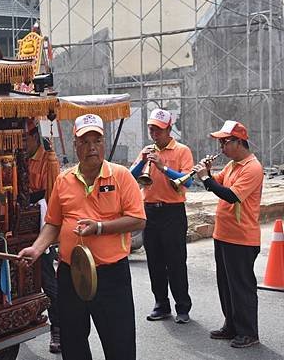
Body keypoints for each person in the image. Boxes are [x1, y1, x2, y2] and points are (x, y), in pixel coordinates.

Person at [18, 114, 146, 360]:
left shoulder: (121, 176)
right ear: (75, 144)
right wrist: (37, 248)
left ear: (104, 143)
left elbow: (138, 219)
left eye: (96, 140)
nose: (91, 147)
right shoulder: (64, 180)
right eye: (84, 141)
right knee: (73, 342)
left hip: (110, 274)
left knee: (119, 344)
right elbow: (53, 224)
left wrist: (99, 227)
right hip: (70, 274)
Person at [192, 120, 263, 348]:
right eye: (220, 142)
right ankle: (231, 325)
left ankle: (249, 332)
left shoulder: (252, 167)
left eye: (225, 142)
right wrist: (208, 173)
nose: (221, 147)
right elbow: (217, 184)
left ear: (239, 142)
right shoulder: (233, 165)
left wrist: (205, 177)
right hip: (223, 234)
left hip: (242, 237)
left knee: (241, 287)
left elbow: (230, 195)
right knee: (225, 284)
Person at [130, 108, 194, 324]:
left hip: (173, 212)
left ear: (168, 129)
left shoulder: (182, 150)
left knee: (176, 261)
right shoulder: (146, 150)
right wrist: (143, 161)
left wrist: (162, 166)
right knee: (154, 261)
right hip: (150, 210)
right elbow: (130, 177)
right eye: (151, 129)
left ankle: (182, 306)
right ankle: (161, 303)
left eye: (158, 129)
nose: (154, 133)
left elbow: (188, 180)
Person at [24, 119, 61, 353]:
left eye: (24, 138)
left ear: (35, 136)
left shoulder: (48, 159)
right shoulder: (18, 156)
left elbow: (52, 198)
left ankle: (58, 328)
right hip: (16, 221)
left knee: (48, 279)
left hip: (40, 224)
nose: (21, 143)